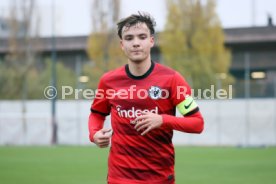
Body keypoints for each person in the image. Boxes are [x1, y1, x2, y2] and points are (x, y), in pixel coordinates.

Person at [88, 12, 204, 184]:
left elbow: (197, 123)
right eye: (129, 38)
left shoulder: (172, 79)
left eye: (142, 37)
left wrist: (162, 120)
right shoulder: (108, 81)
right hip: (119, 178)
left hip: (159, 178)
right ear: (122, 44)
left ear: (151, 41)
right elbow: (97, 114)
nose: (135, 43)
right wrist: (94, 134)